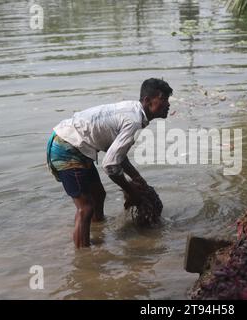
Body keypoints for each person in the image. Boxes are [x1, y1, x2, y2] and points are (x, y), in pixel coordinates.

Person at [46, 78, 172, 248]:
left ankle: (98, 235)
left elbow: (117, 155)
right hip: (68, 149)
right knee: (86, 207)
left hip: (73, 143)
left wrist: (137, 178)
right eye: (164, 99)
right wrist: (132, 191)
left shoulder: (133, 112)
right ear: (148, 101)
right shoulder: (133, 121)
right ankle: (84, 260)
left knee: (99, 195)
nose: (168, 104)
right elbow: (110, 165)